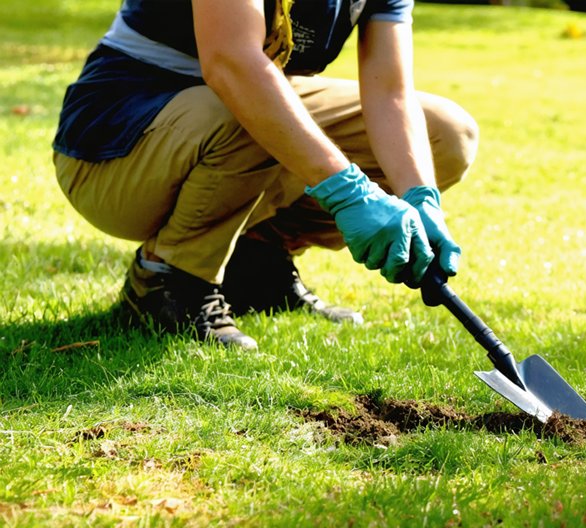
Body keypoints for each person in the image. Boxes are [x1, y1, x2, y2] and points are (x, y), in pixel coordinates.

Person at [52, 0, 478, 351]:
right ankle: (168, 280)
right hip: (113, 147)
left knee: (445, 134)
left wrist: (420, 198)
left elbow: (390, 92)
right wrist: (351, 193)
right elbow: (231, 64)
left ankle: (254, 258)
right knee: (256, 101)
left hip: (222, 115)